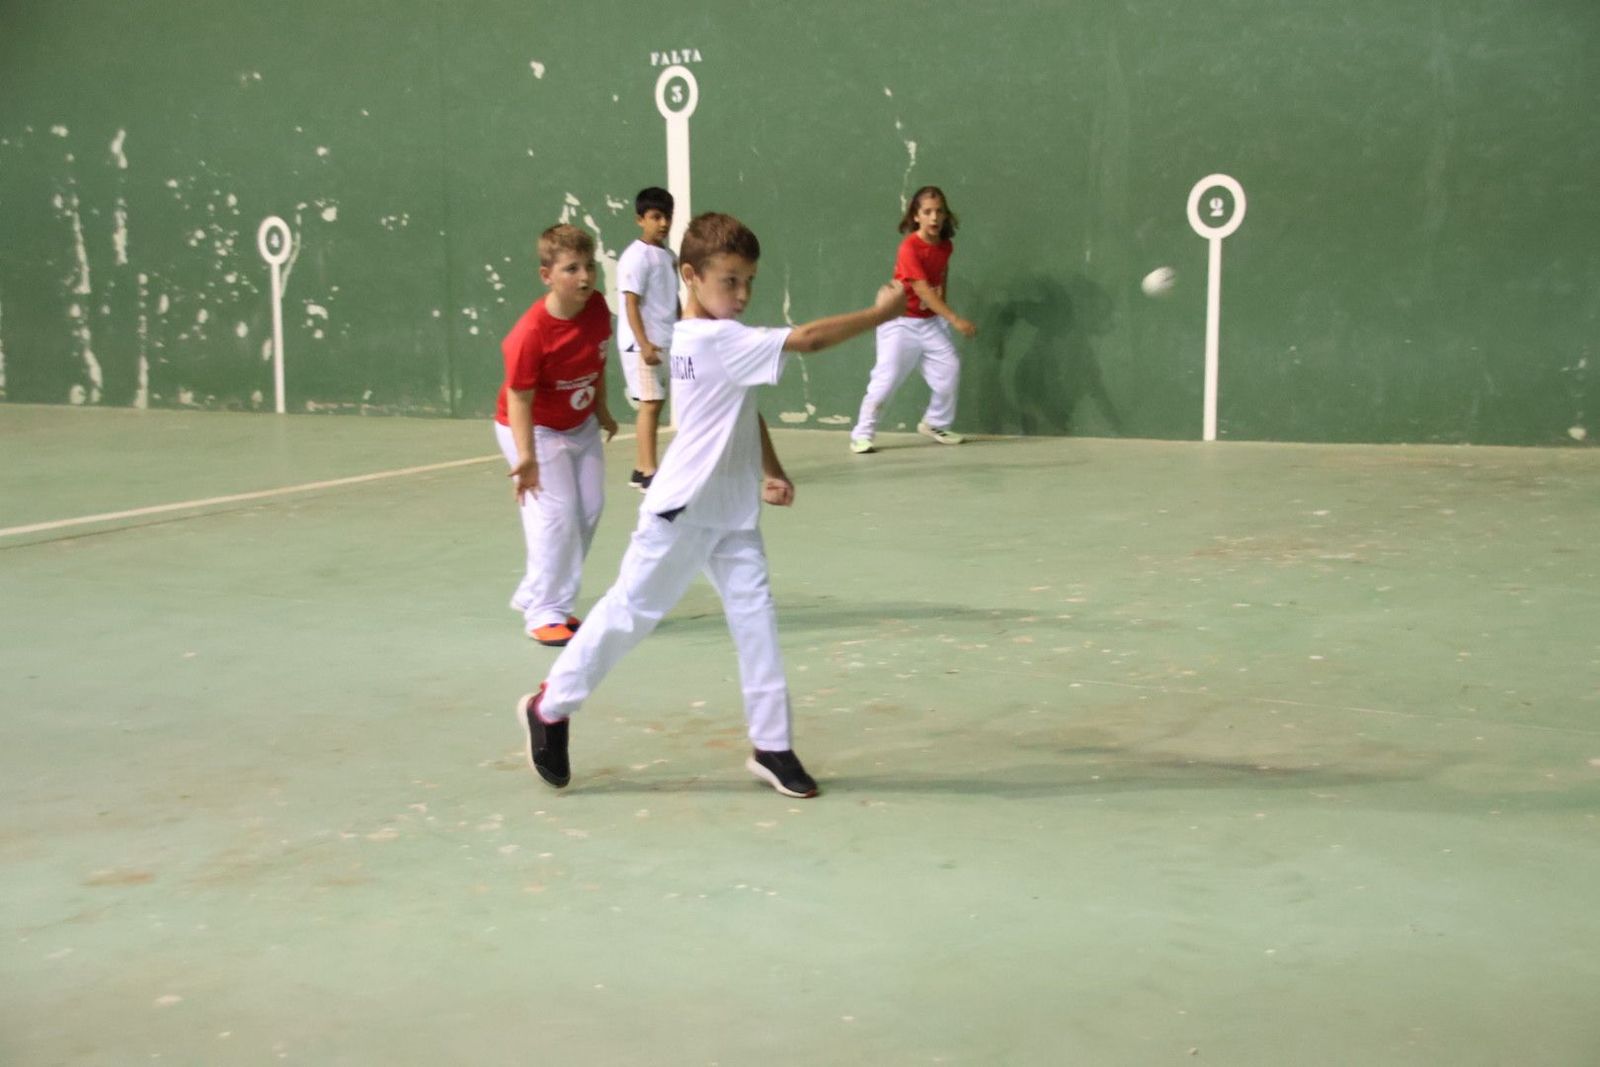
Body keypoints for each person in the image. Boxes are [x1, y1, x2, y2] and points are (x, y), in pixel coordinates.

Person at [516, 211, 905, 798]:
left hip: (733, 515)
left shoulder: (709, 338)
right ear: (692, 276)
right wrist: (881, 315)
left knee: (758, 625)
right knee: (629, 615)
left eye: (749, 281)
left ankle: (772, 745)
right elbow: (809, 340)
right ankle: (549, 708)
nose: (743, 294)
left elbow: (742, 409)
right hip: (682, 511)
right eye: (730, 281)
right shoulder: (714, 337)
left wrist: (771, 471)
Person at [494, 224, 618, 646]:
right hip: (533, 428)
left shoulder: (599, 308)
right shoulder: (531, 333)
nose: (584, 277)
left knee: (589, 510)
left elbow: (597, 363)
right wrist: (525, 458)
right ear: (547, 275)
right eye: (571, 269)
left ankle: (538, 594)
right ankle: (544, 612)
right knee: (558, 515)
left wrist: (601, 408)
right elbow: (519, 399)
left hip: (579, 423)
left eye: (589, 267)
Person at [848, 185, 977, 453]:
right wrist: (954, 319)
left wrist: (942, 311)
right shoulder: (909, 247)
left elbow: (941, 277)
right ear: (916, 216)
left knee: (949, 368)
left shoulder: (945, 246)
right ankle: (862, 434)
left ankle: (935, 422)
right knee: (887, 377)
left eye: (939, 211)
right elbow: (921, 288)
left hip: (929, 323)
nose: (934, 217)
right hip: (899, 323)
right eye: (927, 212)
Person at [614, 187, 678, 492]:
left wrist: (684, 327)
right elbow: (630, 304)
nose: (663, 223)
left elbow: (672, 297)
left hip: (667, 340)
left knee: (656, 403)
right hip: (643, 345)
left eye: (667, 216)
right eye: (656, 217)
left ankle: (640, 469)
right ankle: (649, 470)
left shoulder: (669, 256)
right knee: (650, 405)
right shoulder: (635, 257)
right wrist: (644, 344)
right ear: (640, 219)